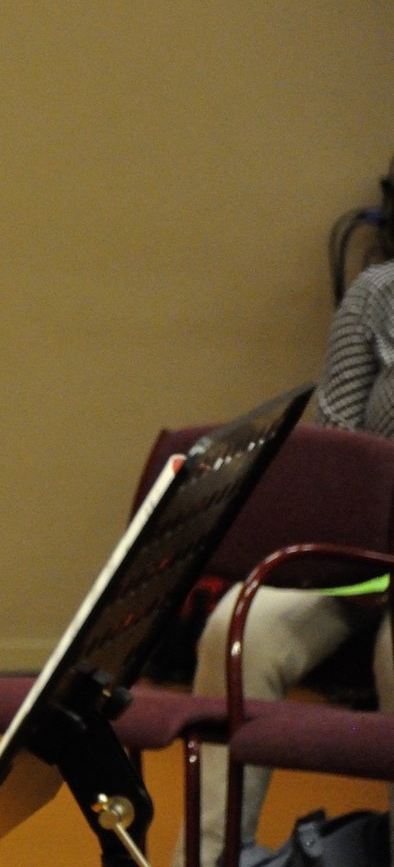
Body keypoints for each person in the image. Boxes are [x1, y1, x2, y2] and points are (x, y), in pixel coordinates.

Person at [174, 260, 394, 867]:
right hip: (362, 557)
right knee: (236, 626)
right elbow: (339, 454)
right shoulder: (378, 293)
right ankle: (207, 857)